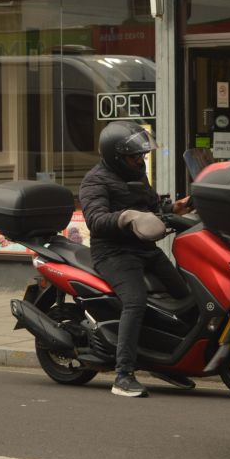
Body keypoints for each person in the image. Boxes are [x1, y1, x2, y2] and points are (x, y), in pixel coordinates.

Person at [79, 121, 191, 398]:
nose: (139, 159)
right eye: (133, 155)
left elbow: (150, 205)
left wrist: (172, 208)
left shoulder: (137, 172)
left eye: (141, 155)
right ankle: (123, 374)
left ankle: (166, 359)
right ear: (115, 156)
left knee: (183, 295)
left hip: (145, 248)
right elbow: (95, 220)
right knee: (135, 301)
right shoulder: (95, 181)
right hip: (113, 252)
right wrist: (125, 217)